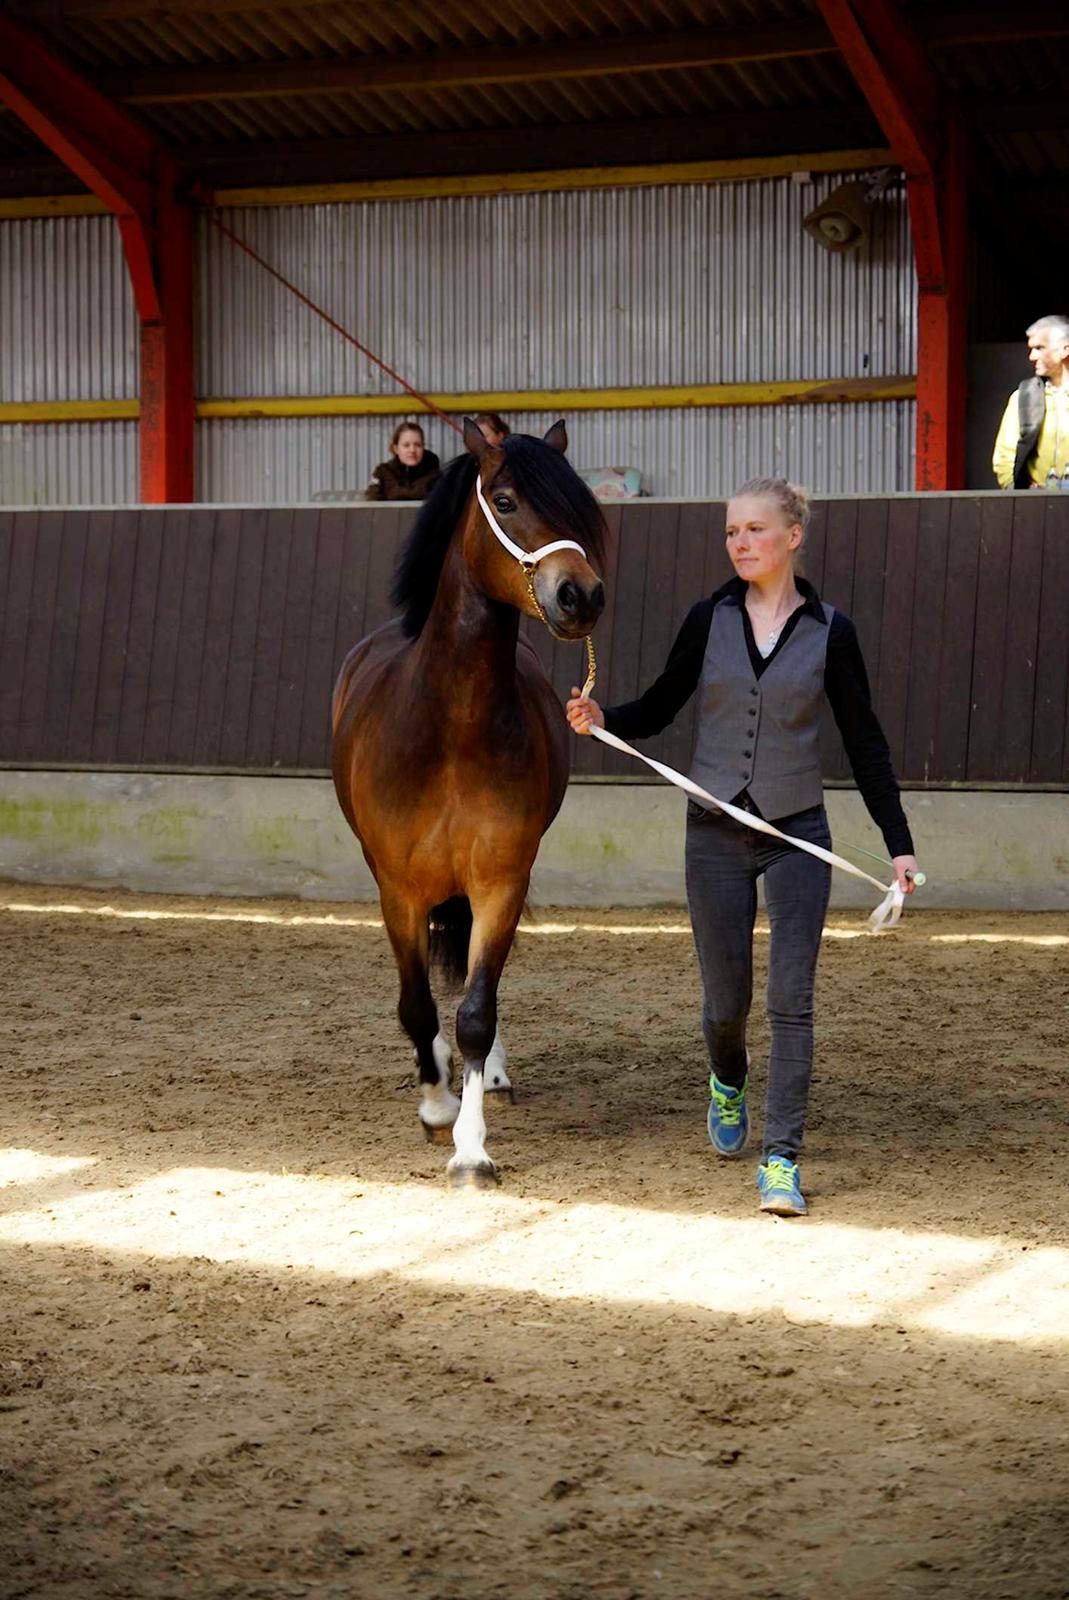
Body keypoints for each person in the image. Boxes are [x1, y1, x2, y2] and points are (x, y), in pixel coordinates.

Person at [566, 478, 918, 1218]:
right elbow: (664, 703)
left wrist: (898, 847)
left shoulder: (831, 631)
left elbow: (864, 743)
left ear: (793, 536)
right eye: (731, 532)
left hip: (796, 835)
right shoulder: (709, 617)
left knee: (791, 1000)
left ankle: (781, 1158)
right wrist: (605, 717)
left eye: (755, 529)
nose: (740, 542)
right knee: (725, 1003)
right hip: (714, 831)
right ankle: (726, 1080)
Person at [992, 314, 1069, 490]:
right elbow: (1004, 458)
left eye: (1039, 348)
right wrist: (1020, 494)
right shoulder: (1023, 397)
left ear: (1065, 349)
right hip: (1037, 511)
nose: (1032, 357)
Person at [366, 421, 441, 501]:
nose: (412, 450)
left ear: (423, 447)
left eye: (418, 445)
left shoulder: (435, 476)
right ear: (396, 449)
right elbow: (372, 502)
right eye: (406, 445)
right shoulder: (382, 473)